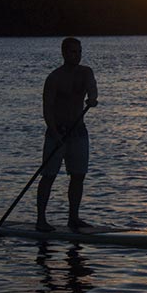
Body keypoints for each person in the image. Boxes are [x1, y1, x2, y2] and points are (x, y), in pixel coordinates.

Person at [37, 37, 98, 232]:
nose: (77, 56)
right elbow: (47, 110)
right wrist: (55, 134)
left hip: (78, 133)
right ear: (64, 53)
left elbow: (92, 89)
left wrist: (92, 98)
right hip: (57, 134)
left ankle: (73, 218)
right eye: (73, 52)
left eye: (79, 52)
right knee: (49, 176)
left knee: (78, 176)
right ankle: (41, 220)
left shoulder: (86, 72)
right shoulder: (54, 78)